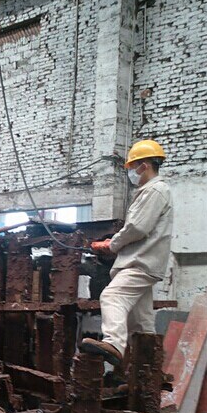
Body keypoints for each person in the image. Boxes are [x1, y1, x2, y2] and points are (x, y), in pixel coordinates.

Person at [80, 139, 173, 366]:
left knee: (112, 296)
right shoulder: (152, 191)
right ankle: (147, 369)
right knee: (141, 323)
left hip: (140, 262)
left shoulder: (155, 190)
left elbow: (137, 228)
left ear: (144, 165)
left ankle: (113, 344)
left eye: (132, 167)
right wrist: (114, 243)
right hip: (144, 261)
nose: (131, 172)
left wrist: (112, 245)